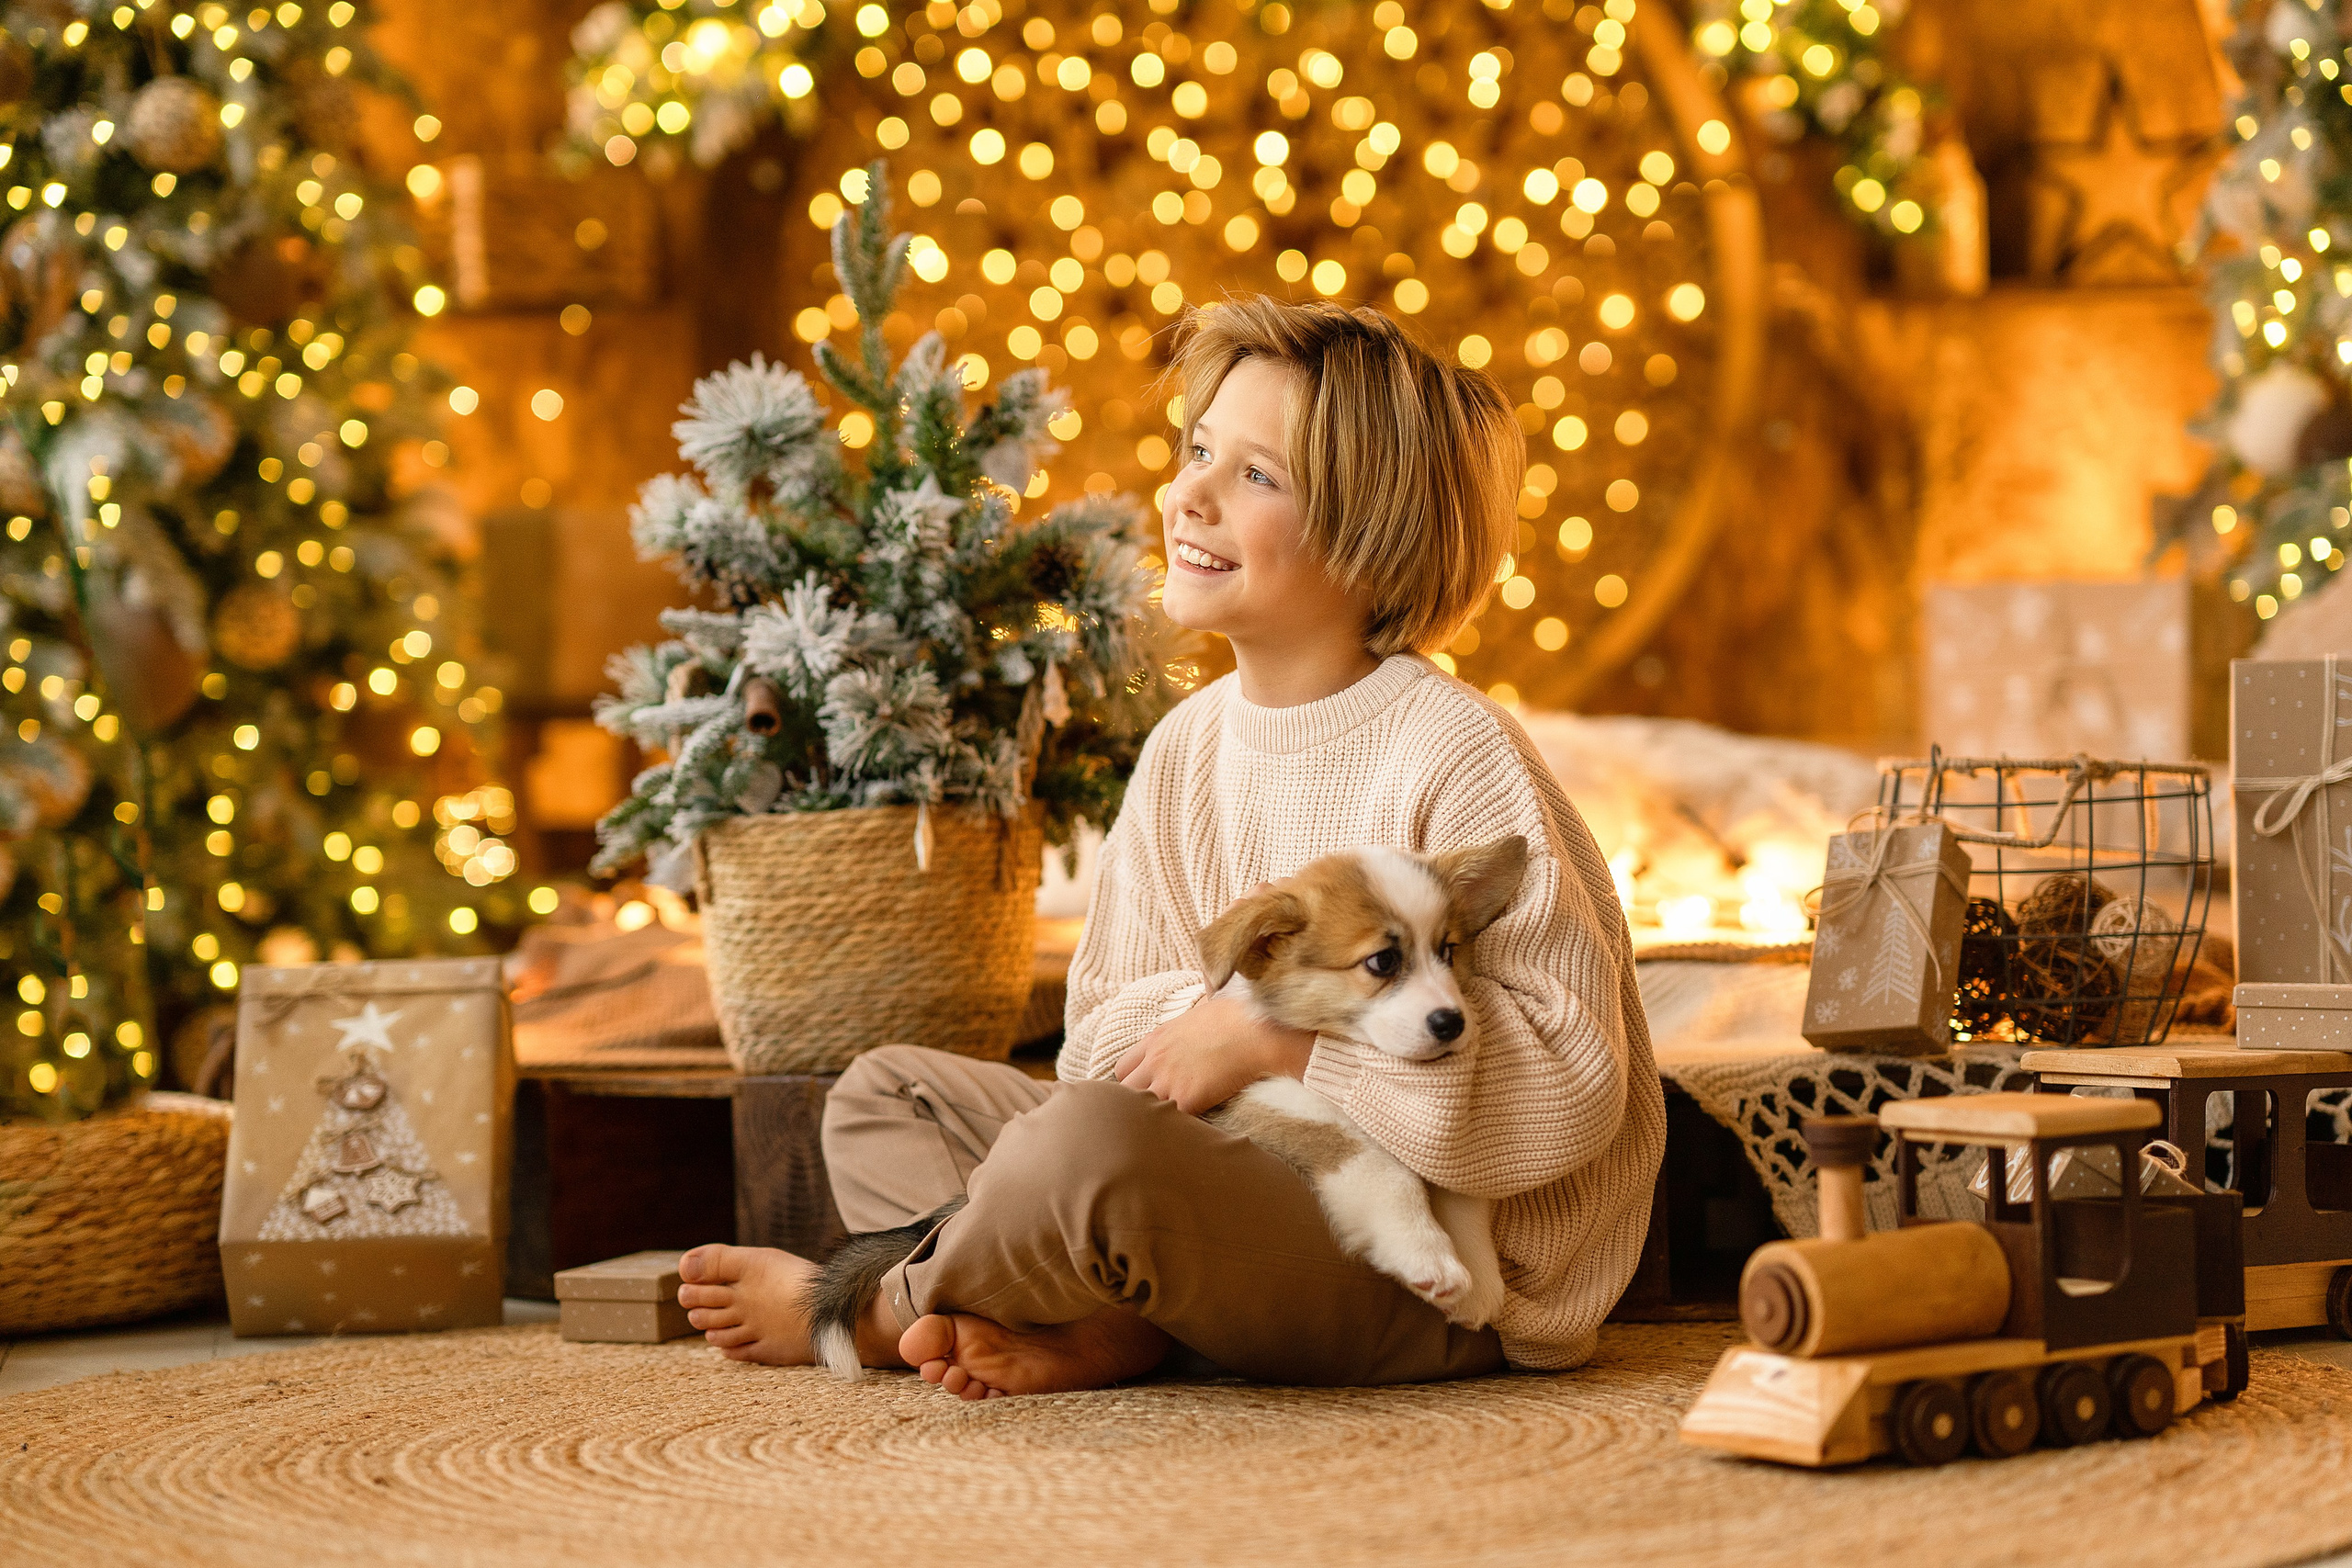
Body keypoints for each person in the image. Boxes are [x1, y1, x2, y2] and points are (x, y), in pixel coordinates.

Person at [673, 294, 1665, 1398]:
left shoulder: (1455, 750)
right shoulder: (1186, 749)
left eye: (1255, 476)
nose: (1186, 494)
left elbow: (1574, 1088)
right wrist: (1217, 1032)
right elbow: (1103, 1040)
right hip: (1221, 1173)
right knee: (887, 1096)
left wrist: (1276, 1043)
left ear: (1374, 535)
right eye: (1199, 450)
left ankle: (872, 1304)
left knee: (1088, 1152)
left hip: (1416, 1272)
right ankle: (1114, 1321)